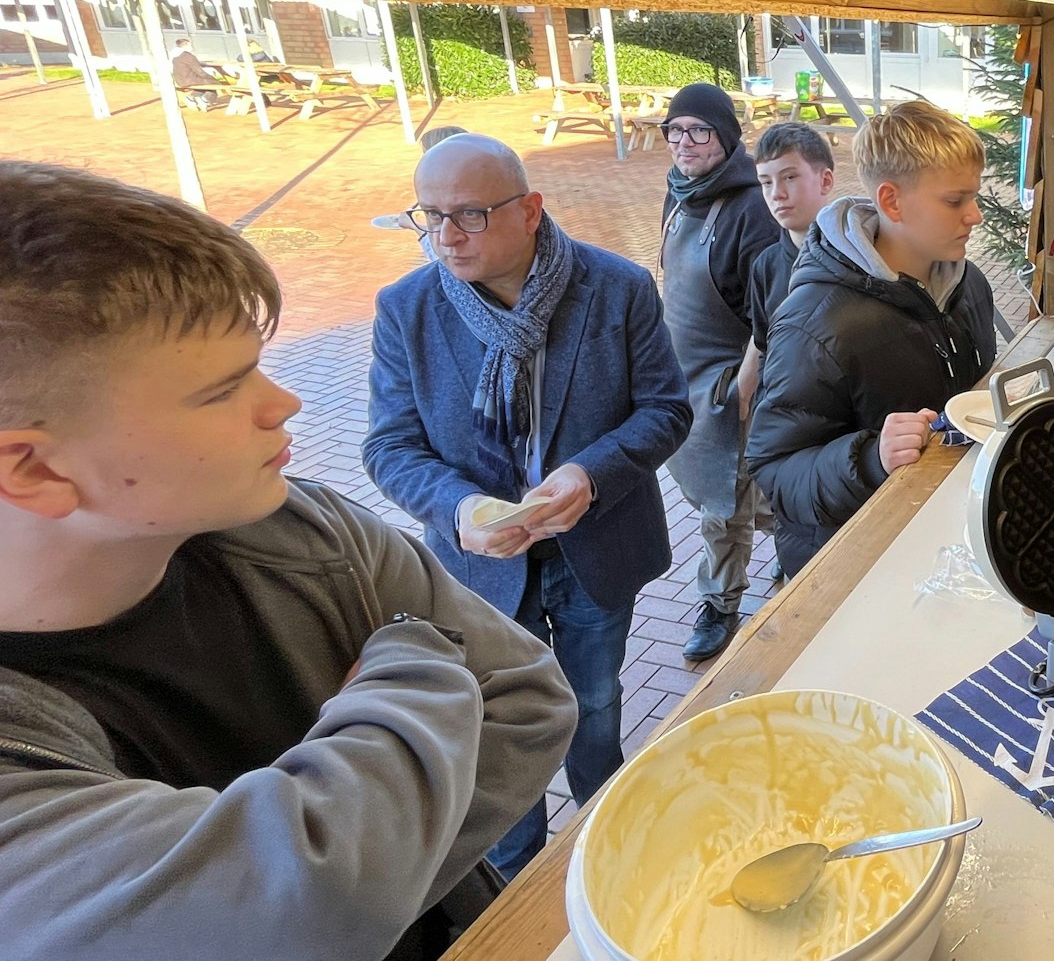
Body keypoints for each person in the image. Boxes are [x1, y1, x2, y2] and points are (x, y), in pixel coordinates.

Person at [0, 161, 577, 961]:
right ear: (33, 468)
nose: (283, 403)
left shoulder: (302, 527)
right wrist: (415, 654)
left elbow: (531, 699)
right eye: (220, 390)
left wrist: (356, 869)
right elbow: (315, 898)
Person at [363, 134, 691, 879]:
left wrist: (590, 472)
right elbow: (389, 447)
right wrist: (460, 507)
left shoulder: (617, 287)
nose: (446, 236)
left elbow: (666, 410)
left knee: (595, 706)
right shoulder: (406, 311)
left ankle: (609, 844)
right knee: (503, 731)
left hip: (594, 547)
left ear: (531, 211)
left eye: (470, 215)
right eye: (430, 216)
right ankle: (515, 882)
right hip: (480, 569)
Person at [747, 100, 995, 578]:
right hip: (857, 568)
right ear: (891, 201)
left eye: (975, 197)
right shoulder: (816, 325)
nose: (975, 215)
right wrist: (870, 457)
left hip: (945, 540)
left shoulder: (969, 284)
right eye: (955, 200)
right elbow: (775, 468)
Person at [656, 83, 783, 662]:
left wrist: (746, 386)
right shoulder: (680, 193)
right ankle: (798, 534)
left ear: (725, 137)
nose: (685, 143)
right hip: (684, 379)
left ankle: (720, 602)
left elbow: (771, 310)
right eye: (675, 131)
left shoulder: (749, 208)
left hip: (733, 379)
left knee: (724, 501)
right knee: (720, 492)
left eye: (698, 131)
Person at [740, 123, 838, 574]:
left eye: (790, 177)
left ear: (825, 179)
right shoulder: (765, 267)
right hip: (790, 442)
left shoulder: (862, 257)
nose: (777, 193)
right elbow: (764, 346)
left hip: (842, 438)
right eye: (765, 182)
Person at [169, 37, 223, 109]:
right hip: (189, 79)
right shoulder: (188, 55)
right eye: (190, 45)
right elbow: (199, 71)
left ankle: (192, 98)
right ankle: (205, 100)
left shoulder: (175, 55)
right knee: (215, 83)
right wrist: (211, 77)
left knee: (205, 85)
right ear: (185, 45)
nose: (191, 47)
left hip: (179, 80)